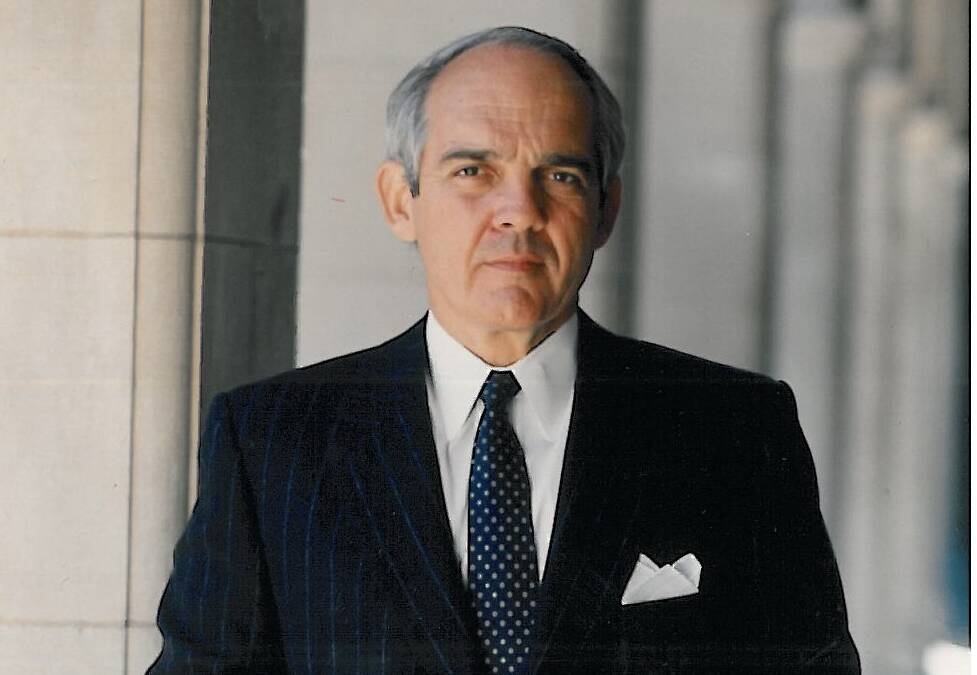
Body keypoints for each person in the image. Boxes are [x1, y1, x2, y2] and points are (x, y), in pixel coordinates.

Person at [149, 26, 859, 674]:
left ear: (605, 210)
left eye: (560, 176)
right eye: (473, 171)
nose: (519, 211)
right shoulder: (273, 442)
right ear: (400, 200)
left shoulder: (734, 430)